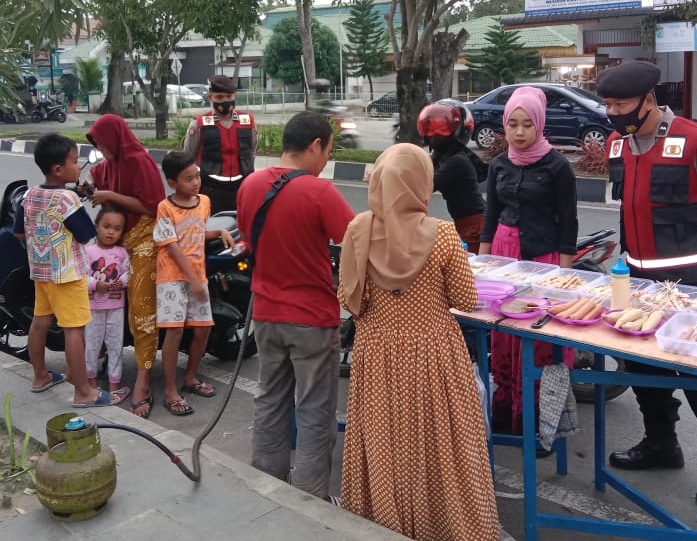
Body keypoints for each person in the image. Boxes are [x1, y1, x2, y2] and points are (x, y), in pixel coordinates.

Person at [596, 60, 697, 509]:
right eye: (607, 104)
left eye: (621, 103)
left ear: (649, 100)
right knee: (643, 368)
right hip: (640, 280)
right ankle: (661, 445)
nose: (613, 112)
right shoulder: (618, 145)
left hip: (694, 283)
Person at [338, 143, 499, 539]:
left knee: (384, 440)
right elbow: (465, 299)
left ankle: (386, 521)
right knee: (441, 444)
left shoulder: (357, 230)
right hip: (434, 354)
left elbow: (347, 298)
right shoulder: (442, 235)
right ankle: (445, 525)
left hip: (377, 353)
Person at [236, 111, 354, 501]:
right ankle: (311, 496)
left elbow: (251, 242)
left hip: (266, 315)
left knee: (270, 398)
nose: (325, 160)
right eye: (328, 150)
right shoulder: (319, 192)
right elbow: (355, 242)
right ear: (316, 145)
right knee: (315, 408)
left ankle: (266, 484)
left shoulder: (250, 184)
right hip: (311, 319)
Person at [477, 86, 578, 434]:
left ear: (539, 125)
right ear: (504, 125)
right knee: (504, 335)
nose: (519, 133)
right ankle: (506, 412)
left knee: (537, 341)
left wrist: (564, 274)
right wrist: (482, 262)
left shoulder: (557, 166)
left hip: (543, 259)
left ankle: (538, 419)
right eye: (512, 125)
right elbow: (491, 215)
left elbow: (569, 220)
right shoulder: (500, 165)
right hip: (504, 257)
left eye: (527, 125)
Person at [14, 133, 113, 407]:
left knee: (40, 322)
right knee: (75, 330)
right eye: (74, 161)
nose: (78, 165)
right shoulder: (67, 200)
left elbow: (20, 233)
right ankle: (83, 392)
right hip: (68, 275)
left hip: (41, 273)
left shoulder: (31, 194)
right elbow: (86, 235)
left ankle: (40, 376)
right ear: (59, 169)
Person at [86, 114, 166, 418]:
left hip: (143, 236)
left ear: (116, 138)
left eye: (103, 143)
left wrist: (111, 196)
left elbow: (153, 206)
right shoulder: (111, 161)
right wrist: (92, 182)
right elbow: (97, 171)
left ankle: (143, 383)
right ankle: (100, 362)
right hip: (116, 240)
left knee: (142, 313)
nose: (102, 149)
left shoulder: (139, 161)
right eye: (97, 145)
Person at [153, 150, 234, 416]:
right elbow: (173, 247)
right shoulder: (165, 208)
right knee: (174, 332)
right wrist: (194, 281)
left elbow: (197, 232)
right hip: (172, 278)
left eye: (197, 176)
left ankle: (189, 378)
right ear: (172, 183)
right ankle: (169, 390)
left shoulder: (204, 202)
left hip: (196, 276)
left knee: (203, 330)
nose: (195, 182)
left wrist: (220, 231)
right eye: (188, 178)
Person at [417, 99, 487, 252]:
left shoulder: (457, 161)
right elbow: (419, 169)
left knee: (471, 270)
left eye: (442, 129)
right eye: (431, 130)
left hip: (474, 227)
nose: (435, 136)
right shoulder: (442, 156)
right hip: (464, 224)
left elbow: (425, 186)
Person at [183, 74, 257, 214]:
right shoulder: (199, 123)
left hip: (242, 186)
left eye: (229, 97)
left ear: (235, 96)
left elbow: (252, 150)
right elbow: (188, 156)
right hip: (210, 188)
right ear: (210, 98)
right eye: (219, 97)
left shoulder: (247, 120)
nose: (225, 101)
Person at [84, 205, 130, 404]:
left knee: (115, 346)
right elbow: (81, 277)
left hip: (116, 308)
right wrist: (95, 284)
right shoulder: (87, 251)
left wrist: (124, 281)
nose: (111, 232)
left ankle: (114, 385)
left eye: (117, 229)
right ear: (97, 226)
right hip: (93, 308)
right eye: (107, 226)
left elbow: (130, 271)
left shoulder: (122, 252)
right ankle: (91, 384)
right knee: (92, 346)